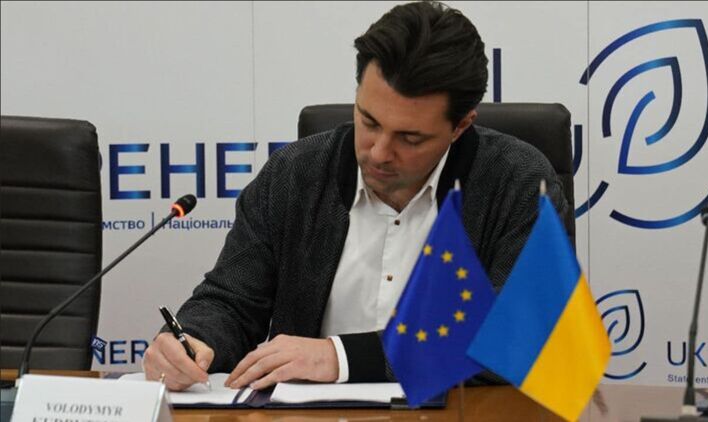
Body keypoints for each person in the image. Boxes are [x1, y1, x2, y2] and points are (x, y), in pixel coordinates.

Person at [142, 0, 568, 391]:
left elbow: (518, 335)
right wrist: (193, 339)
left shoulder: (519, 182)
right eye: (369, 121)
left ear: (460, 126)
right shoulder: (294, 174)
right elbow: (232, 301)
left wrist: (341, 357)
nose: (379, 152)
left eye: (410, 138)